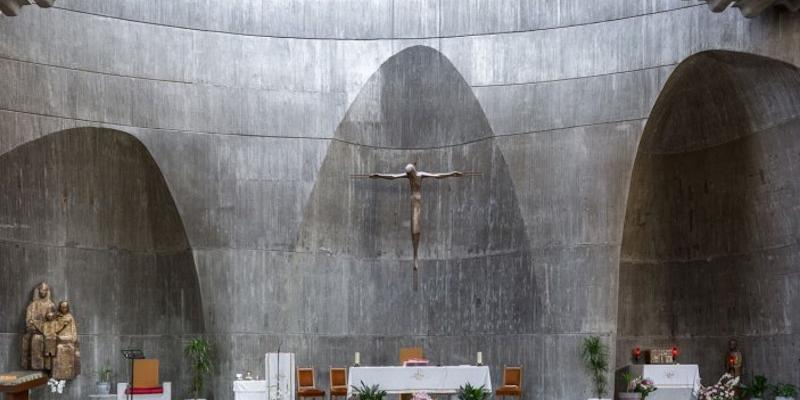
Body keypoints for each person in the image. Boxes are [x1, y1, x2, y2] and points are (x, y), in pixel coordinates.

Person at [368, 163, 464, 289]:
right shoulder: (408, 176)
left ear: (413, 171)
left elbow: (437, 176)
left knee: (416, 228)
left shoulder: (420, 174)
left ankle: (415, 256)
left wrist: (452, 174)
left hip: (417, 203)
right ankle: (415, 256)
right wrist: (378, 175)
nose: (409, 176)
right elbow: (392, 176)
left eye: (410, 174)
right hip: (413, 202)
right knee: (414, 228)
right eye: (408, 175)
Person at [22, 282, 55, 370]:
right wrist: (35, 326)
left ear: (47, 291)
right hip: (36, 331)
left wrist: (50, 318)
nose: (42, 292)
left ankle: (48, 366)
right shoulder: (32, 305)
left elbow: (54, 321)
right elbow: (29, 321)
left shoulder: (51, 305)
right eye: (41, 290)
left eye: (45, 290)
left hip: (48, 330)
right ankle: (37, 366)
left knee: (50, 339)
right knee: (36, 339)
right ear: (38, 291)